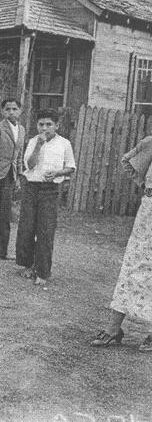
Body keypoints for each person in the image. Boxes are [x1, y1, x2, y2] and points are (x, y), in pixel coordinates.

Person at [91, 136, 152, 351]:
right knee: (133, 265)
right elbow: (127, 161)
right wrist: (144, 183)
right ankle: (114, 328)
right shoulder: (151, 142)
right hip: (148, 212)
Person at [15, 108, 75, 286]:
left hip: (50, 190)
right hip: (31, 188)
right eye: (41, 124)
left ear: (57, 125)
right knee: (26, 228)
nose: (44, 128)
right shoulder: (33, 141)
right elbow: (30, 165)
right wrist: (39, 146)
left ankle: (42, 271)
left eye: (49, 124)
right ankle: (27, 265)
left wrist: (58, 172)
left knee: (45, 230)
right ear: (36, 125)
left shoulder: (64, 143)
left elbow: (71, 167)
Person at [0, 99, 26, 263]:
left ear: (20, 111)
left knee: (5, 214)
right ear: (2, 111)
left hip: (11, 175)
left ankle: (1, 251)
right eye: (7, 109)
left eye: (14, 109)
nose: (11, 112)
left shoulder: (21, 130)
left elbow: (19, 154)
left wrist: (18, 176)